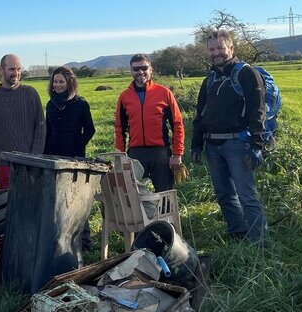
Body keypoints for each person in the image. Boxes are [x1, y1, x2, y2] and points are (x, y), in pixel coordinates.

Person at [191, 29, 268, 244]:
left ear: (231, 48)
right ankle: (237, 235)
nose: (216, 53)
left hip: (238, 144)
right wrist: (196, 145)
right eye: (212, 49)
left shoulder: (246, 73)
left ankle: (259, 243)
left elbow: (258, 110)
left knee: (247, 196)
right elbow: (200, 114)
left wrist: (257, 145)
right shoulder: (210, 79)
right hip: (213, 145)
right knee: (225, 195)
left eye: (220, 48)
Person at [115, 54, 185, 193]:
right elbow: (119, 128)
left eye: (144, 68)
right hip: (136, 153)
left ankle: (166, 215)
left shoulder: (164, 93)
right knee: (134, 196)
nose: (140, 72)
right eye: (136, 69)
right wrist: (120, 156)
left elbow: (177, 124)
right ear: (131, 71)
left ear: (150, 69)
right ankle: (142, 216)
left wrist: (177, 154)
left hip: (160, 153)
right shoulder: (124, 97)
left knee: (165, 194)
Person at [43, 66, 95, 249]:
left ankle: (85, 241)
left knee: (78, 198)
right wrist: (45, 153)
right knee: (57, 200)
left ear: (69, 83)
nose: (57, 85)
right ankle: (62, 239)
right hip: (54, 158)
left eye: (61, 81)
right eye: (55, 81)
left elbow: (90, 130)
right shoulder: (50, 105)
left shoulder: (80, 104)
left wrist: (77, 146)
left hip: (75, 158)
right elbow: (48, 131)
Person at [0, 54, 45, 190]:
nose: (16, 73)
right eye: (11, 69)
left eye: (18, 69)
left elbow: (40, 126)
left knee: (32, 202)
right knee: (7, 203)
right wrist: (4, 142)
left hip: (30, 161)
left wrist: (34, 157)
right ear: (1, 70)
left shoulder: (31, 94)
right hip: (4, 162)